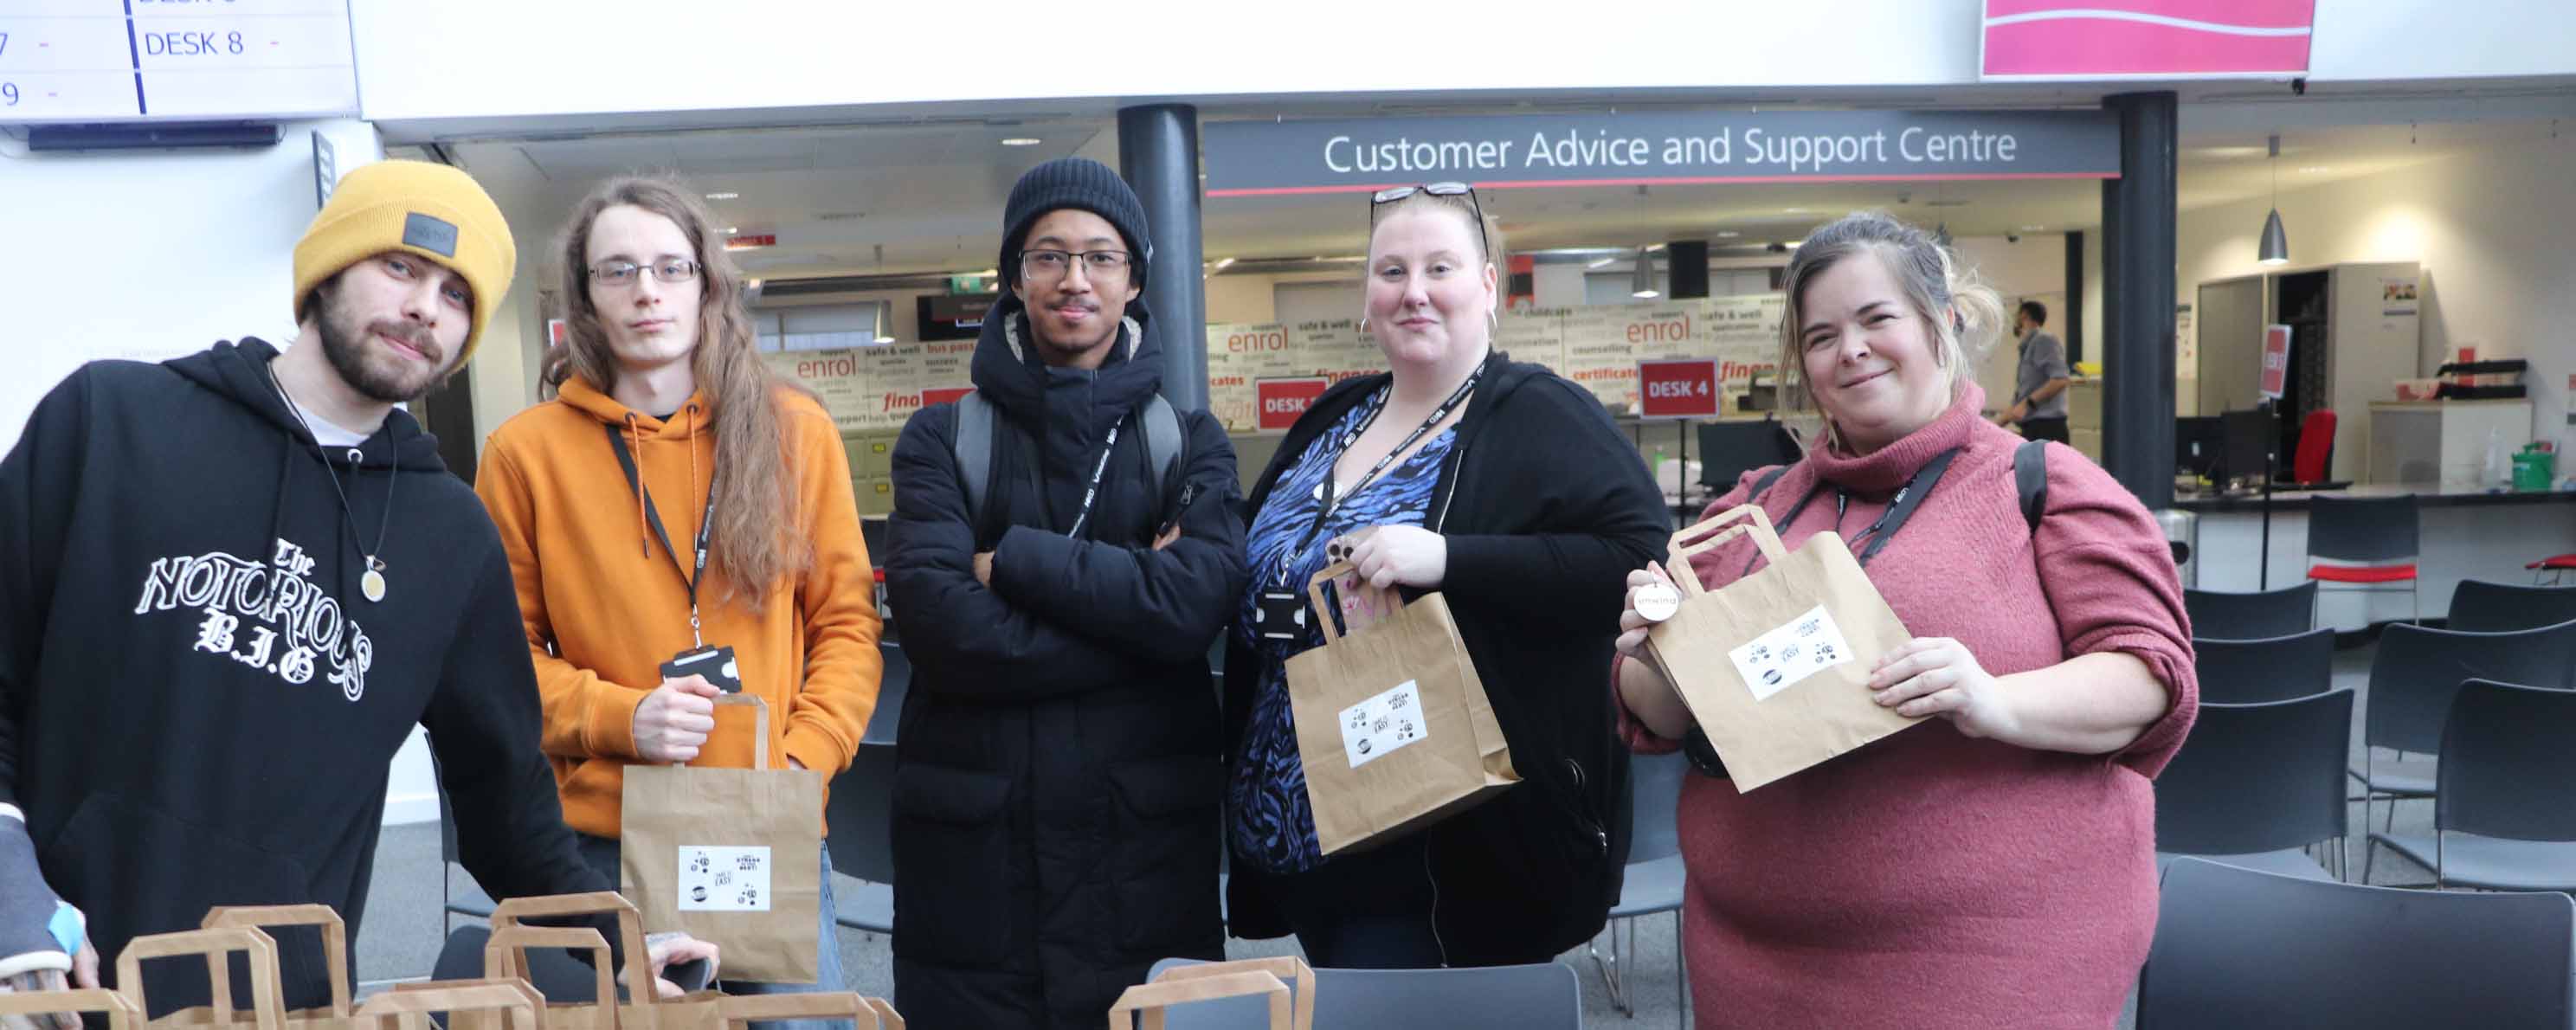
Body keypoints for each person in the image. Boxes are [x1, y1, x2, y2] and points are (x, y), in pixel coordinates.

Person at [0, 160, 713, 1015]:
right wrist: (13, 902)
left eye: (457, 296)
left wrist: (618, 939)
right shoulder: (112, 421)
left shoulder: (449, 535)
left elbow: (505, 800)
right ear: (326, 269)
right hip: (51, 969)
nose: (425, 308)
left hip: (272, 993)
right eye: (401, 266)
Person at [1613, 211, 2197, 1027]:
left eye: (1876, 319)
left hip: (1987, 963)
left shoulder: (2043, 487)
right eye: (1821, 336)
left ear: (1941, 322)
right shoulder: (1753, 510)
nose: (1849, 348)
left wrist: (1995, 699)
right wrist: (1653, 656)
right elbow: (1664, 715)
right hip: (1754, 964)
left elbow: (2150, 674)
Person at [1223, 183, 1670, 969]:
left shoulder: (1535, 413)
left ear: (1489, 286)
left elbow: (1639, 560)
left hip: (1433, 842)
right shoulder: (1335, 418)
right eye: (1391, 271)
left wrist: (1449, 560)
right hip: (1301, 837)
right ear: (1367, 296)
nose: (1414, 292)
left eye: (1440, 267)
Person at [473, 177, 880, 1016]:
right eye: (617, 270)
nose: (647, 290)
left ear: (707, 283)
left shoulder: (793, 429)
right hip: (598, 839)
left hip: (762, 822)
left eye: (670, 266)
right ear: (584, 296)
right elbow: (499, 664)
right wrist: (625, 716)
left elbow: (844, 626)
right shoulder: (524, 453)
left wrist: (799, 761)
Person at [882, 158, 1248, 1028]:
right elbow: (941, 629)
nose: (1074, 278)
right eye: (1048, 255)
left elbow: (1197, 603)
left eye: (1100, 256)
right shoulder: (938, 439)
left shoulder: (1189, 443)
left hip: (1145, 860)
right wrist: (1137, 625)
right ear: (1014, 276)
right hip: (976, 879)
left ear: (1133, 280)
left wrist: (1013, 561)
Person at [1999, 299, 2072, 443]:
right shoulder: (2028, 347)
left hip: (2047, 428)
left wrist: (2027, 404)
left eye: (2017, 317)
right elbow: (2023, 398)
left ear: (2024, 316)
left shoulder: (2043, 340)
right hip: (2033, 427)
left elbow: (2060, 380)